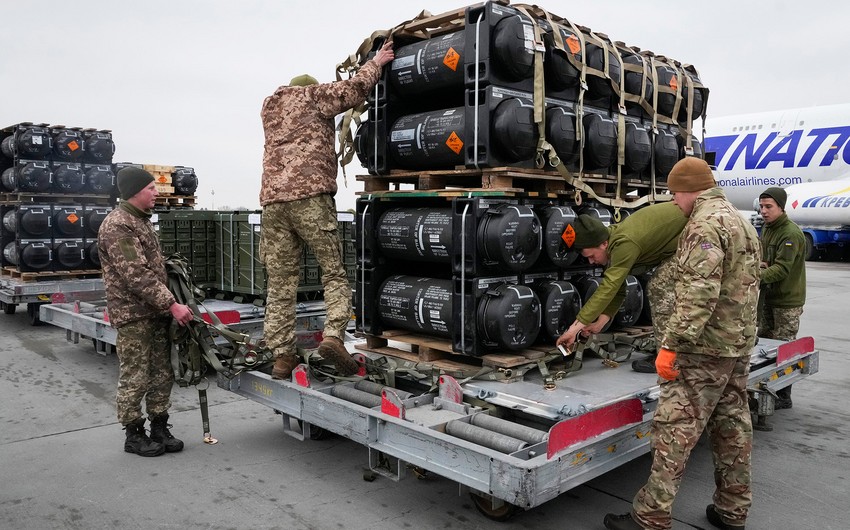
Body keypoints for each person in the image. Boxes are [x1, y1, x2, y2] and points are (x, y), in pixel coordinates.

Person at [603, 157, 761, 530]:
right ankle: (732, 511)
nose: (674, 202)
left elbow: (698, 292)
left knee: (675, 429)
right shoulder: (741, 221)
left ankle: (650, 517)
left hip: (702, 349)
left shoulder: (703, 225)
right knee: (733, 427)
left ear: (690, 189)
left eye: (675, 194)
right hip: (736, 345)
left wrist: (672, 344)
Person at [260, 41, 395, 380]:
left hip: (273, 204)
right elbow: (352, 90)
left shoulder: (270, 108)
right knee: (333, 272)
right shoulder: (314, 97)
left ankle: (282, 357)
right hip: (310, 199)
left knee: (280, 284)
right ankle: (333, 336)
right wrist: (376, 63)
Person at [98, 167, 194, 457]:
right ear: (135, 191)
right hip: (134, 314)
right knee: (136, 374)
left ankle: (159, 426)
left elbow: (153, 267)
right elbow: (136, 274)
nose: (156, 193)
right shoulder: (118, 225)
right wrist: (172, 304)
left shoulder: (140, 222)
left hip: (154, 312)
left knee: (162, 373)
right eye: (152, 188)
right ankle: (133, 433)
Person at [555, 202, 687, 373]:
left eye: (591, 255)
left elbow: (609, 287)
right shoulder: (612, 244)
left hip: (697, 234)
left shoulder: (624, 243)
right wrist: (599, 324)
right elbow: (617, 289)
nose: (591, 261)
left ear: (603, 244)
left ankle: (669, 357)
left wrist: (574, 329)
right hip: (681, 241)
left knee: (659, 287)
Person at [757, 186, 806, 409]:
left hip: (787, 301)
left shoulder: (790, 233)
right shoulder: (768, 228)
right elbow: (768, 261)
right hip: (769, 297)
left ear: (781, 207)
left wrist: (754, 276)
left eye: (769, 207)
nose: (764, 211)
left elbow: (782, 269)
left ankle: (784, 395)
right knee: (765, 346)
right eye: (761, 206)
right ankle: (765, 388)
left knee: (784, 350)